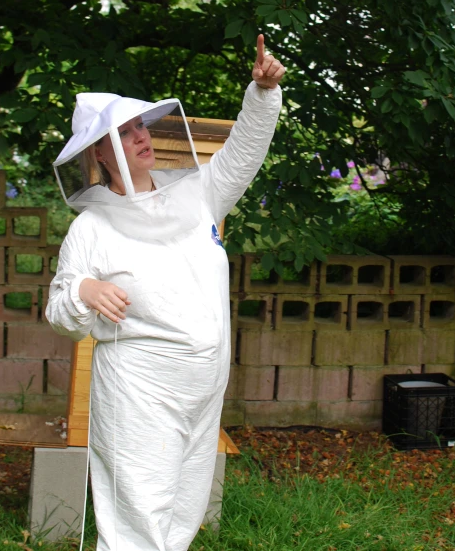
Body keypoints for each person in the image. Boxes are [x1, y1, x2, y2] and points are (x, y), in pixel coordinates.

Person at [46, 35, 285, 551]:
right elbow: (60, 311)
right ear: (100, 154)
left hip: (204, 384)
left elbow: (243, 153)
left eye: (140, 126)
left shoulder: (198, 195)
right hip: (139, 391)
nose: (140, 138)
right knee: (138, 520)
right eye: (123, 133)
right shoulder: (91, 228)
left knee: (181, 516)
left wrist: (262, 93)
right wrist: (84, 289)